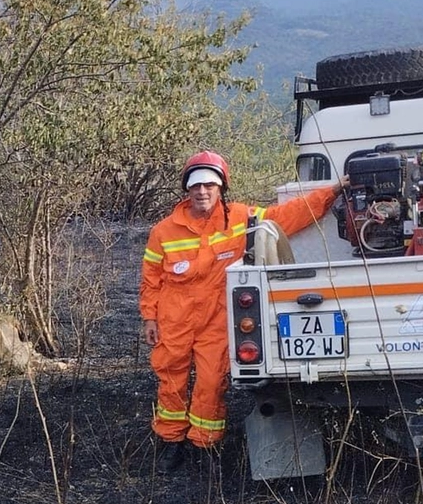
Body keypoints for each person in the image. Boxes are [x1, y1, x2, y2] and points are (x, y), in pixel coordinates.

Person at [139, 150, 344, 472]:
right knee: (171, 383)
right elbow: (150, 280)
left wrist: (331, 192)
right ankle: (171, 443)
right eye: (196, 186)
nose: (202, 192)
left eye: (209, 185)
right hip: (173, 320)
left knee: (210, 383)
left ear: (221, 188)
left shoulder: (243, 218)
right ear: (186, 190)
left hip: (217, 321)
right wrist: (149, 317)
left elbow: (288, 216)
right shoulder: (163, 232)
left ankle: (203, 447)